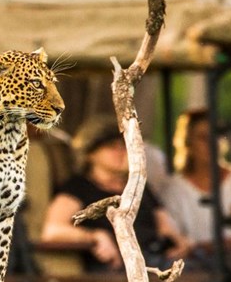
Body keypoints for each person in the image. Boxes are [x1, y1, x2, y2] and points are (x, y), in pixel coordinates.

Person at [41, 116, 190, 272]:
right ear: (91, 153)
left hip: (154, 260)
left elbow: (165, 226)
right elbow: (52, 230)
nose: (121, 152)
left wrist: (179, 243)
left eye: (124, 146)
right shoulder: (78, 188)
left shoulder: (138, 186)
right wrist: (95, 236)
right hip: (111, 270)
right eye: (112, 147)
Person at [159, 108, 231, 255]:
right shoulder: (174, 190)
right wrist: (222, 246)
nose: (212, 143)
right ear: (188, 143)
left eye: (217, 136)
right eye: (203, 138)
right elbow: (173, 242)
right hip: (199, 270)